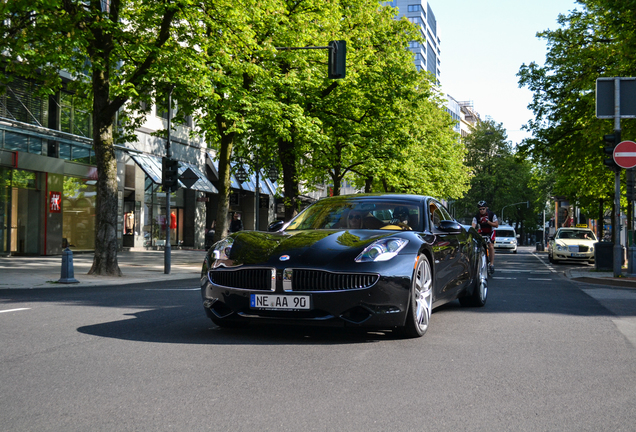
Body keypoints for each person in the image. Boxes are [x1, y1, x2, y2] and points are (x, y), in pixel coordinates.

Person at [472, 200, 499, 274]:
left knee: (490, 246)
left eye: (483, 209)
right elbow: (473, 226)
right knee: (479, 244)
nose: (482, 210)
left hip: (491, 231)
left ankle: (492, 264)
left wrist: (487, 222)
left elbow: (496, 225)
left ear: (486, 208)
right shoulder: (476, 216)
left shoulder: (491, 214)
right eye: (480, 209)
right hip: (482, 231)